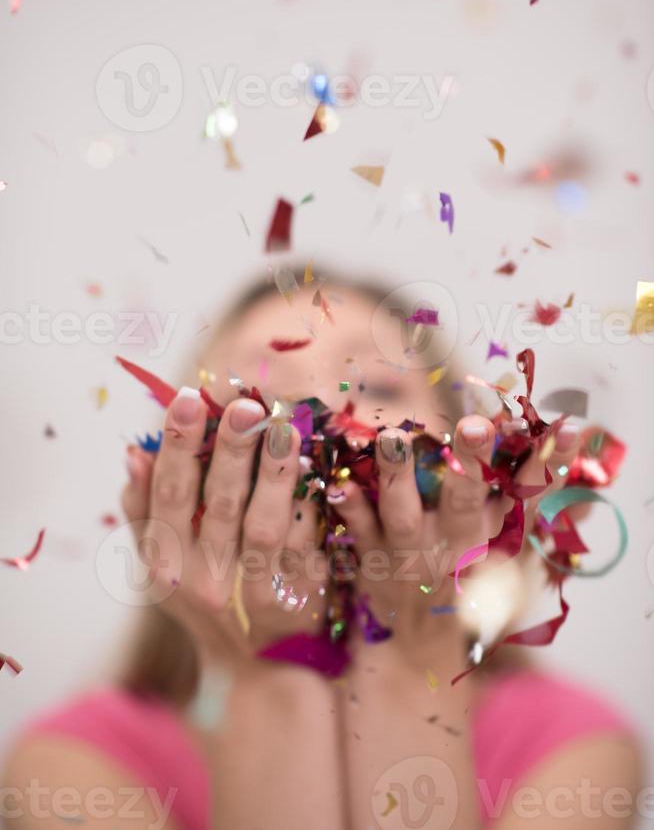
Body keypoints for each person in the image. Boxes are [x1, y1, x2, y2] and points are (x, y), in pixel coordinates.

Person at [4, 268, 642, 830]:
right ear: (183, 472)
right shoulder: (75, 764)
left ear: (477, 470)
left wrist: (410, 649)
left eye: (379, 387)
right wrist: (270, 667)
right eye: (260, 401)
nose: (326, 413)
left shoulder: (565, 746)